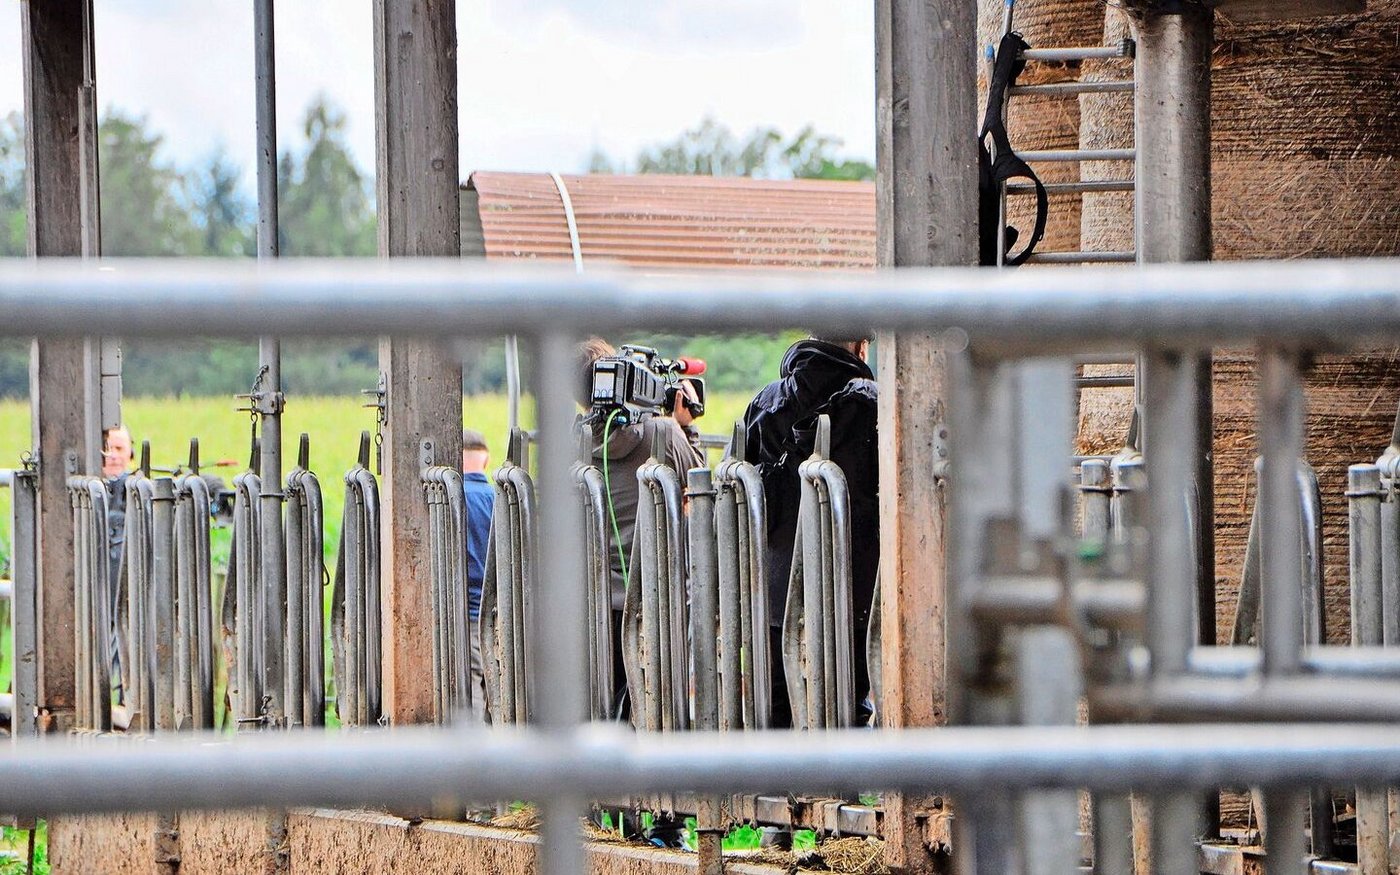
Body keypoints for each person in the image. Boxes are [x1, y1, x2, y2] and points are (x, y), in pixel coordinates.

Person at [738, 335, 879, 727]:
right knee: (843, 705)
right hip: (851, 591)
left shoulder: (764, 402)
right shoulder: (872, 404)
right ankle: (837, 786)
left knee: (778, 708)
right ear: (860, 346)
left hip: (774, 593)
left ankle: (780, 784)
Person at [577, 338, 703, 715]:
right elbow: (697, 481)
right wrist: (685, 425)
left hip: (593, 602)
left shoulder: (574, 438)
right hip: (655, 600)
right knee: (655, 706)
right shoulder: (661, 434)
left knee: (600, 705)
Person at [461, 428, 495, 720]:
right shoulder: (502, 499)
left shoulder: (450, 499)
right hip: (499, 615)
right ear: (486, 460)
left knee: (469, 682)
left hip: (467, 615)